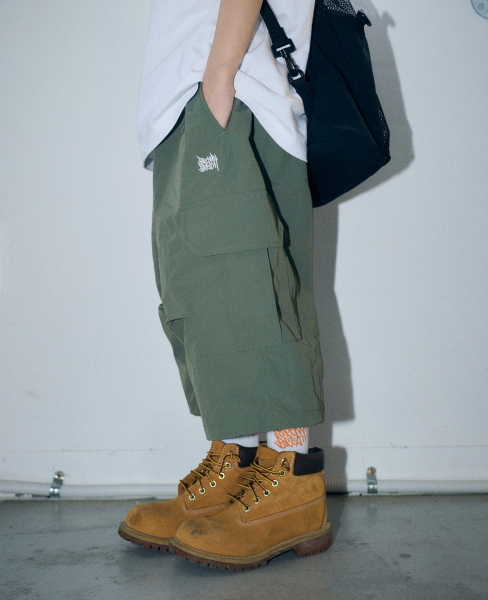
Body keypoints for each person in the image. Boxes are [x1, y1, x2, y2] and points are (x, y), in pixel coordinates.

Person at [118, 0, 331, 570]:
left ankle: (291, 477)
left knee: (254, 293)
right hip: (191, 99)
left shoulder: (222, 83)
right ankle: (237, 464)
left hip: (229, 86)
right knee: (204, 299)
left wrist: (219, 74)